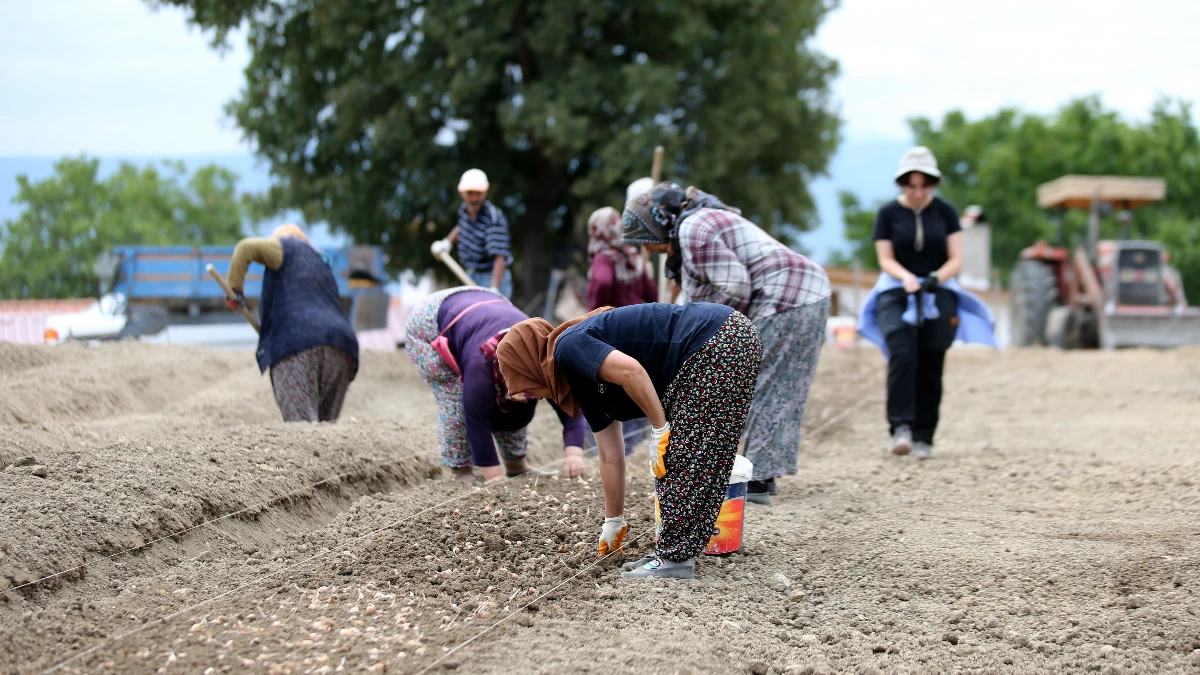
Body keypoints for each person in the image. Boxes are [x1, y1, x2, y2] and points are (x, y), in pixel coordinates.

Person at [497, 302, 763, 579]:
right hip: (722, 342)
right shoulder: (581, 386)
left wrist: (660, 429)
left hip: (716, 339)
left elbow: (631, 371)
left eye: (527, 385)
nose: (534, 396)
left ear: (531, 363)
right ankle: (674, 553)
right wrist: (613, 521)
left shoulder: (569, 347)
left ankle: (673, 559)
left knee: (680, 456)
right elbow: (610, 457)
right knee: (697, 455)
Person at [622, 183, 831, 506]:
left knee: (763, 384)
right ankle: (763, 474)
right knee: (779, 385)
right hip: (807, 292)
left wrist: (714, 333)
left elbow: (734, 287)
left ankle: (758, 477)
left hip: (786, 296)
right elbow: (699, 299)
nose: (647, 250)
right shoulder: (693, 227)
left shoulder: (692, 228)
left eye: (645, 240)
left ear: (658, 222)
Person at [857, 146, 995, 460]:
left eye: (924, 185)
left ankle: (924, 436)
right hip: (896, 290)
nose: (918, 192)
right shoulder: (888, 213)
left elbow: (956, 258)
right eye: (911, 185)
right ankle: (901, 427)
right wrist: (906, 277)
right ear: (903, 184)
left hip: (938, 289)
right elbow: (885, 258)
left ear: (933, 184)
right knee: (903, 353)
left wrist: (936, 278)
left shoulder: (945, 212)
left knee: (932, 360)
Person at [407, 286, 587, 484]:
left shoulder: (550, 361)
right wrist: (494, 477)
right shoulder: (480, 366)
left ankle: (515, 464)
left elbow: (572, 408)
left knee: (514, 402)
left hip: (488, 300)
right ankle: (461, 471)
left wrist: (574, 455)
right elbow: (476, 421)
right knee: (457, 399)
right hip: (432, 319)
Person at [226, 224, 359, 422]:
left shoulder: (285, 246)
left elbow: (245, 248)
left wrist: (235, 290)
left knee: (302, 429)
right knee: (325, 432)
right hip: (342, 348)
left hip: (299, 345)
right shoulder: (321, 263)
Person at [431, 169, 514, 298]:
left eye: (478, 193)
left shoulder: (493, 217)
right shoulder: (464, 211)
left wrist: (495, 288)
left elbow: (499, 256)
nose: (474, 198)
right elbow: (462, 227)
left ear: (485, 192)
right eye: (470, 193)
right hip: (471, 274)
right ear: (462, 193)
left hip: (492, 276)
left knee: (491, 317)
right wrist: (447, 242)